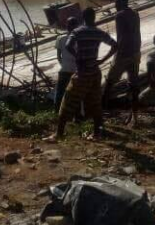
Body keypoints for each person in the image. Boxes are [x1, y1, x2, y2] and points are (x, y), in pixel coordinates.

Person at [46, 7, 117, 142]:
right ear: (94, 17)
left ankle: (59, 134)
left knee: (66, 101)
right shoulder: (98, 32)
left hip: (82, 73)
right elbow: (115, 45)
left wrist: (78, 57)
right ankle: (97, 133)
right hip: (95, 72)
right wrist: (102, 60)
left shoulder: (78, 32)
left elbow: (68, 45)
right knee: (96, 103)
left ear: (83, 18)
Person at [102, 0, 141, 121]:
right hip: (135, 53)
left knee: (108, 83)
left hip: (123, 54)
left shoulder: (119, 16)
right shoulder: (135, 14)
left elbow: (121, 39)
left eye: (116, 3)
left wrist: (114, 54)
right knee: (133, 85)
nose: (115, 5)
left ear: (121, 3)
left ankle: (102, 112)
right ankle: (134, 116)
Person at [54, 17, 80, 112]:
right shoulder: (80, 39)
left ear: (67, 26)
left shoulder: (60, 38)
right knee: (76, 93)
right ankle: (77, 114)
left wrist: (64, 64)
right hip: (76, 71)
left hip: (64, 70)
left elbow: (59, 56)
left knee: (60, 93)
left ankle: (57, 111)